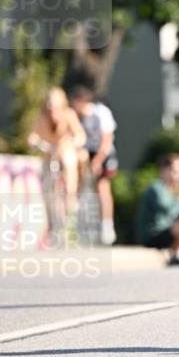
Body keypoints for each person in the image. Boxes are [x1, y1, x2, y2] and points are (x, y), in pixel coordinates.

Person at [69, 86, 118, 246]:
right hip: (87, 152)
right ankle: (75, 215)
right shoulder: (77, 116)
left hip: (103, 152)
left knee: (103, 186)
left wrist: (97, 161)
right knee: (78, 179)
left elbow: (106, 141)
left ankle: (107, 224)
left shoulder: (100, 112)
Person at [28, 87, 87, 218]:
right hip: (49, 153)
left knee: (68, 162)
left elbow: (80, 135)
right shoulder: (42, 117)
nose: (52, 107)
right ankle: (49, 212)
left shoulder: (68, 114)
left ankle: (70, 197)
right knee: (45, 179)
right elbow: (33, 135)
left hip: (65, 150)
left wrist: (72, 142)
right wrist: (35, 142)